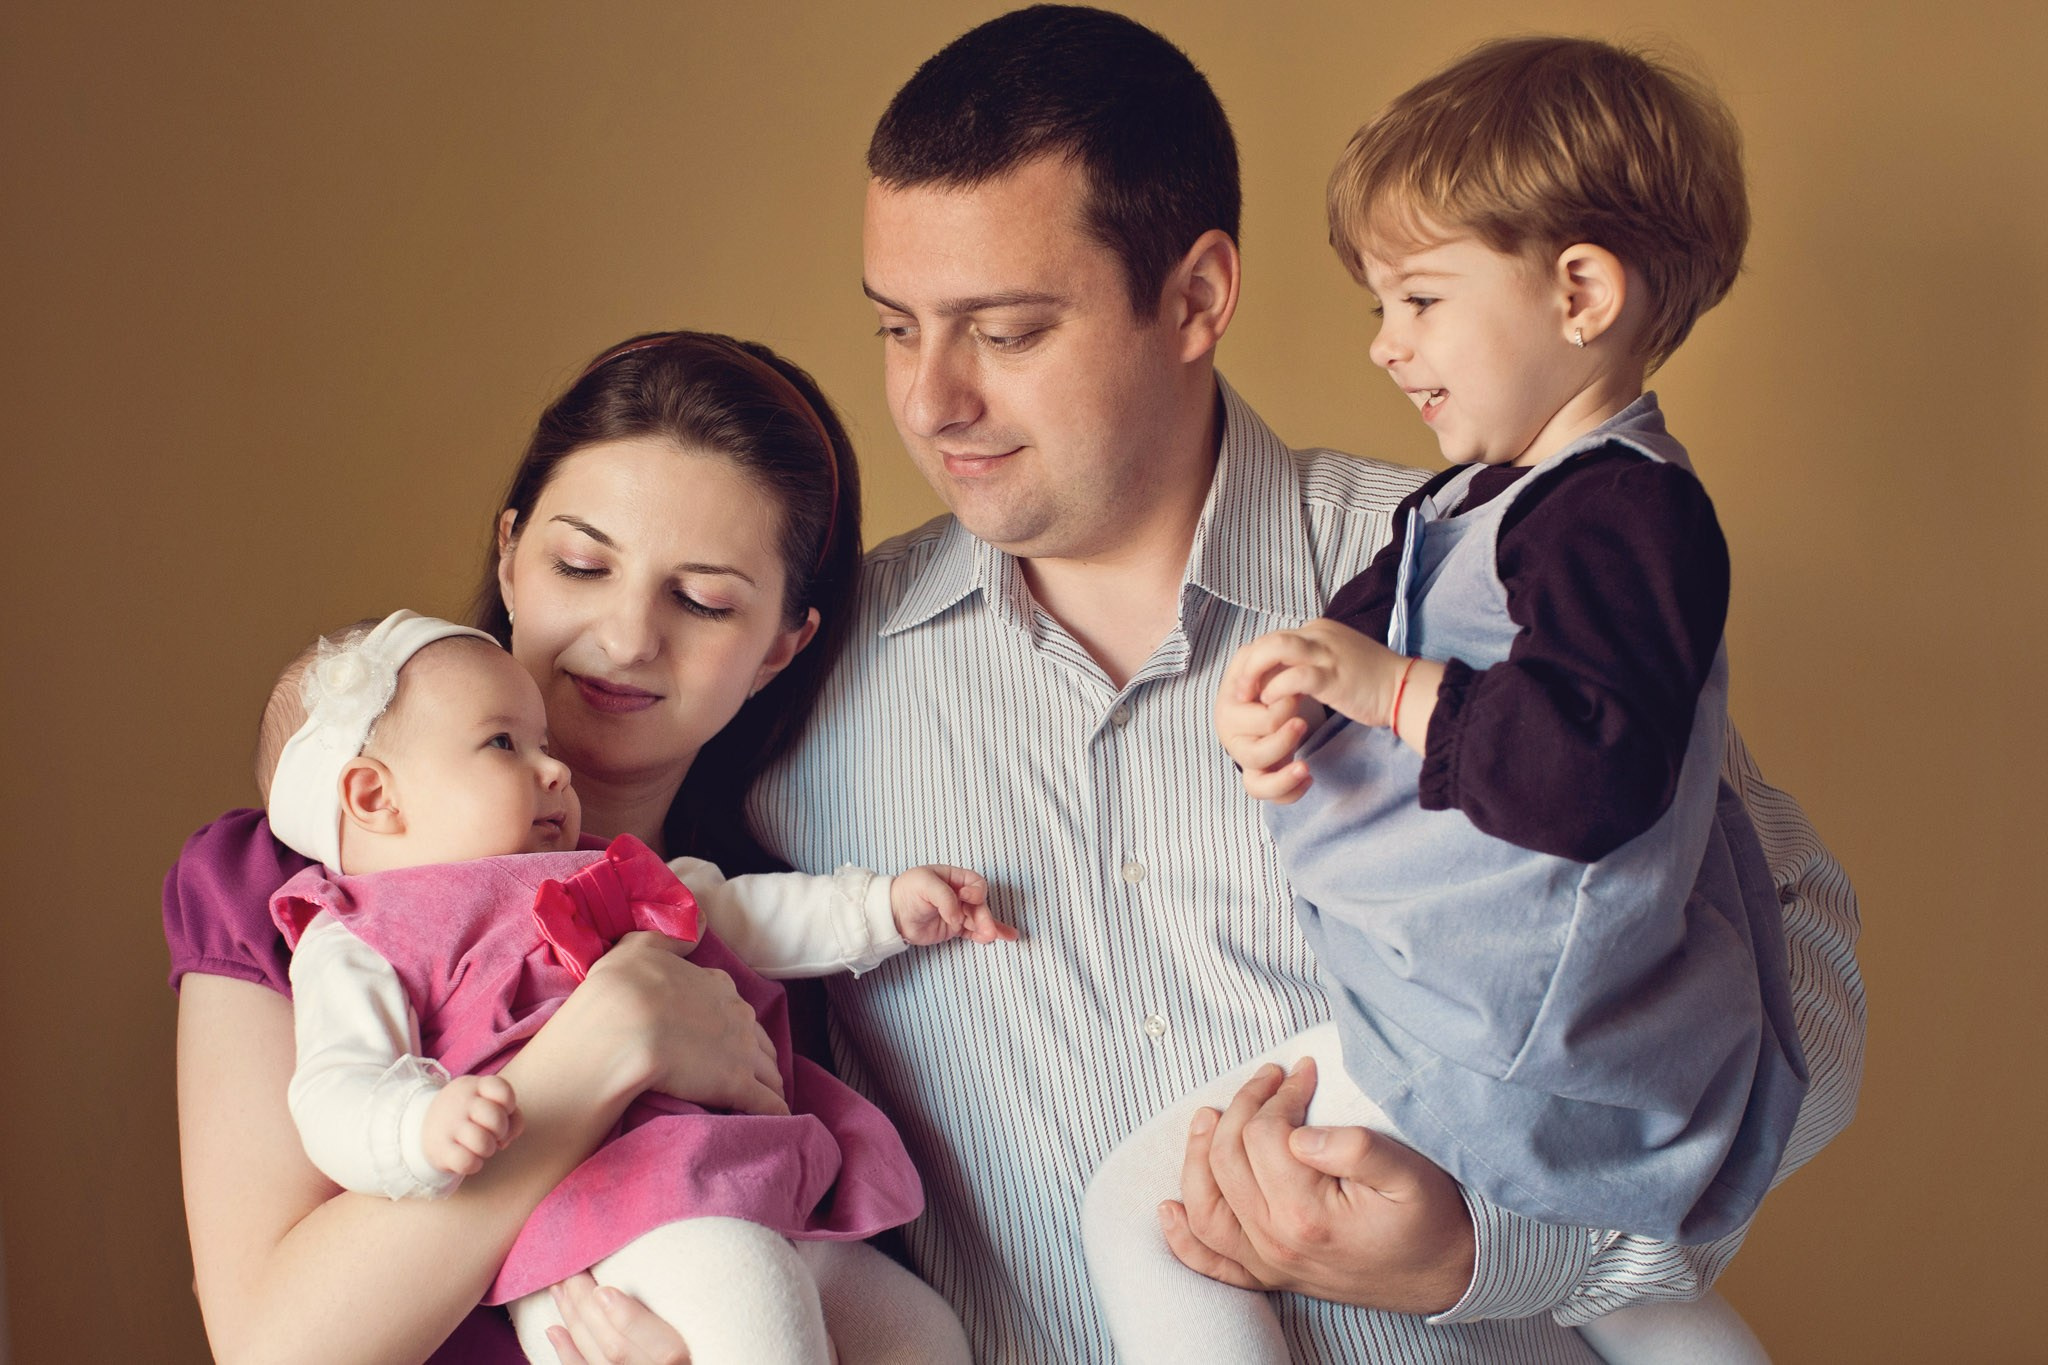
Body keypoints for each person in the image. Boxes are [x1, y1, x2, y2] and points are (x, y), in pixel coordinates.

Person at [744, 6, 1865, 1362]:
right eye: (895, 328)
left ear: (1198, 297)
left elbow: (1794, 986)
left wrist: (1492, 1249)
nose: (929, 400)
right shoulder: (799, 677)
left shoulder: (1498, 565)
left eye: (1008, 330)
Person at [1080, 36, 1803, 1364]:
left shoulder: (1625, 515)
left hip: (1497, 1026)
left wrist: (1396, 686)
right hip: (1484, 1016)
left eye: (1418, 300)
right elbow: (1342, 649)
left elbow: (1593, 776)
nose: (1383, 346)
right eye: (1377, 306)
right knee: (1631, 1298)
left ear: (1580, 290)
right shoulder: (1472, 500)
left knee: (1144, 1206)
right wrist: (1283, 704)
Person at [168, 331, 972, 1363]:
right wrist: (599, 1048)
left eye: (702, 599)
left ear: (781, 644)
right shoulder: (293, 895)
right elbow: (279, 1350)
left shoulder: (767, 935)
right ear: (508, 554)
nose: (628, 635)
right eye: (581, 563)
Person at [257, 609, 1007, 1362]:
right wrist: (417, 1128)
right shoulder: (355, 933)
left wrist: (880, 908)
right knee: (756, 1304)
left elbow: (739, 912)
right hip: (593, 1230)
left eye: (544, 744)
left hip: (733, 1179)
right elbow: (334, 1087)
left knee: (920, 1332)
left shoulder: (600, 868)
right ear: (373, 796)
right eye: (503, 743)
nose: (555, 769)